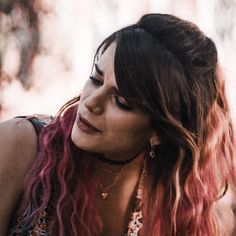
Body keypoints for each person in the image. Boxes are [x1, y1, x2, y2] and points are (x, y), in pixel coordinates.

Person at [0, 13, 235, 236]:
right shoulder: (21, 145)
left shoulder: (172, 200)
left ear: (159, 132)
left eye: (121, 101)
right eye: (96, 79)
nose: (91, 103)